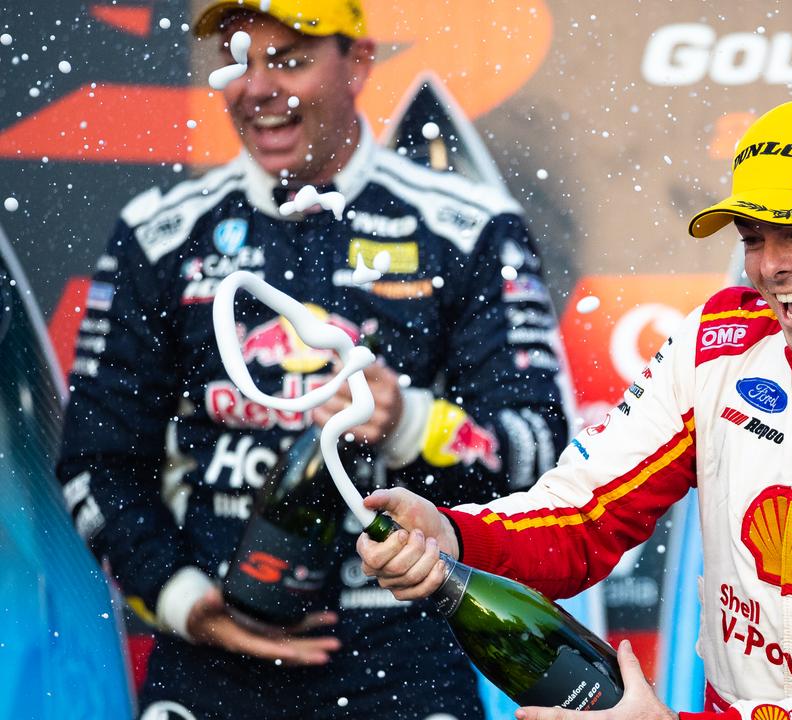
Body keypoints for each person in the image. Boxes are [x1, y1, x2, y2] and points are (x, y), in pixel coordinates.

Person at [357, 94, 792, 719]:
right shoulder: (719, 342)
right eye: (753, 237)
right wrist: (454, 535)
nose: (770, 266)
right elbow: (586, 513)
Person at [55, 1, 570, 717]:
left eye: (289, 59)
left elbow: (540, 455)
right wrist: (183, 600)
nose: (258, 88)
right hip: (210, 666)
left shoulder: (467, 227)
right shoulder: (160, 235)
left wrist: (408, 420)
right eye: (238, 61)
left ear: (357, 62)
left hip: (405, 657)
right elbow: (96, 460)